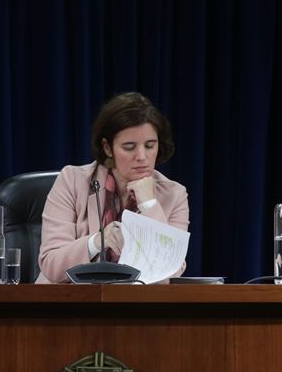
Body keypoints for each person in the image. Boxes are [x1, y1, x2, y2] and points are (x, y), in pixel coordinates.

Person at [36, 92, 189, 283]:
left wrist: (149, 204)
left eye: (150, 145)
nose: (142, 156)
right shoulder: (72, 181)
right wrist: (97, 242)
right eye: (129, 147)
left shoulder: (174, 195)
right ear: (108, 148)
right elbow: (51, 263)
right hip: (69, 302)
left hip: (134, 306)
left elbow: (171, 271)